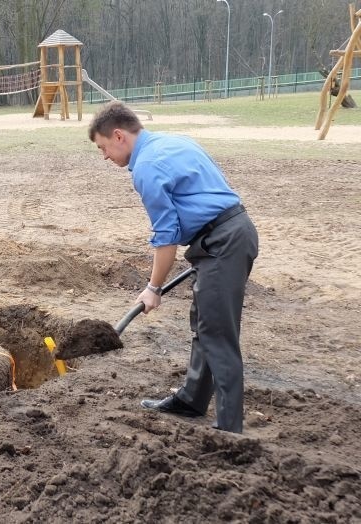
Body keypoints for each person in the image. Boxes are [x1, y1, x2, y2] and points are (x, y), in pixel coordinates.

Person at [89, 101, 258, 434]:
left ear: (119, 136)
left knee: (218, 333)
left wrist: (153, 288)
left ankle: (229, 428)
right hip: (224, 237)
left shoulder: (147, 167)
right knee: (205, 323)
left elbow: (165, 236)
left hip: (222, 242)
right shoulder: (174, 141)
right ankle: (192, 399)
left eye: (103, 147)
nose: (104, 156)